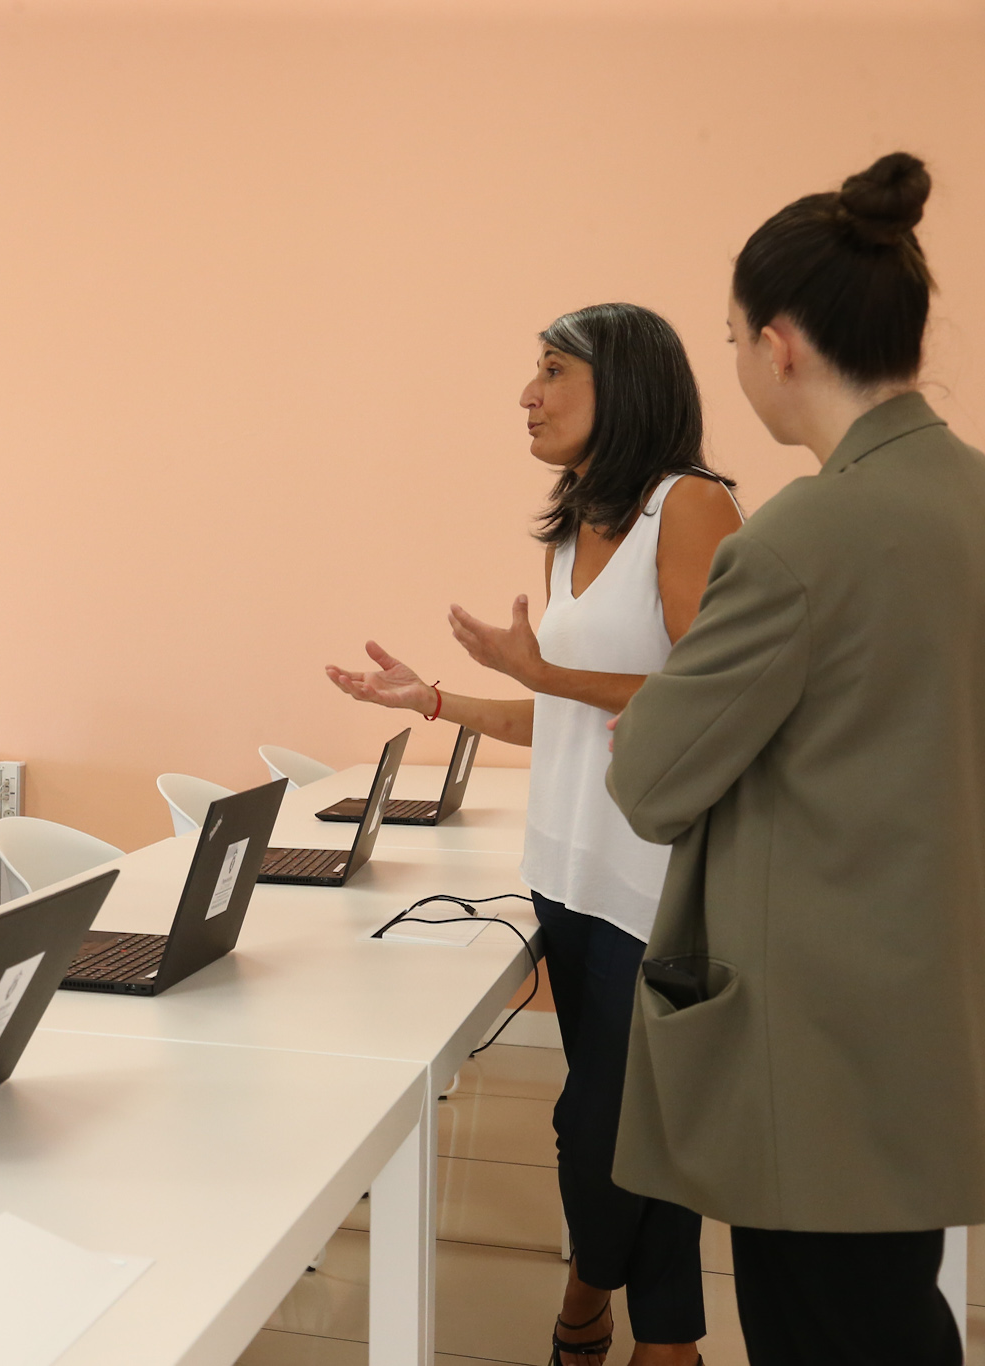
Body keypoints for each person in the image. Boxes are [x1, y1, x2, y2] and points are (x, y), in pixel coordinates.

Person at [608, 153, 982, 1365]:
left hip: (814, 1039)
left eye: (729, 338)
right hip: (934, 1003)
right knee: (891, 1306)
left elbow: (649, 780)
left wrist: (660, 720)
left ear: (775, 346)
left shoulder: (798, 538)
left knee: (827, 1326)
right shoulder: (968, 498)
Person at [326, 303, 742, 1366]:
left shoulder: (689, 506)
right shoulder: (571, 527)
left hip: (655, 882)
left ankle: (589, 1302)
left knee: (602, 1127)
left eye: (553, 371)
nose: (527, 395)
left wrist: (542, 671)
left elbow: (709, 701)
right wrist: (434, 700)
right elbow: (560, 714)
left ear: (624, 385)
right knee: (629, 1120)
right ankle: (663, 1342)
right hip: (565, 870)